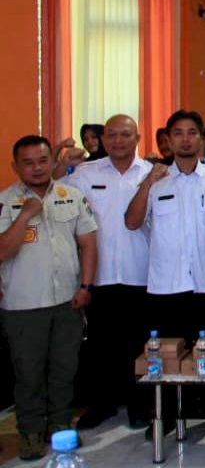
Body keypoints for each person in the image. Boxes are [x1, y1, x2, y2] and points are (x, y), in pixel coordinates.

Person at [125, 110, 205, 440]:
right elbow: (132, 222)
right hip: (166, 285)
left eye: (192, 132)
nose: (185, 138)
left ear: (202, 139)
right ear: (168, 140)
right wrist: (147, 184)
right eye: (178, 133)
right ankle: (169, 416)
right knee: (167, 356)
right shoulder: (153, 179)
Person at [0, 136, 98, 461]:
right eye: (28, 162)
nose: (37, 168)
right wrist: (25, 215)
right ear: (16, 167)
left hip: (67, 301)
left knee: (64, 368)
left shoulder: (70, 195)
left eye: (42, 160)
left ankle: (59, 427)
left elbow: (87, 244)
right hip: (23, 304)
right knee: (28, 372)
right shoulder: (6, 202)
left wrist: (86, 286)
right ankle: (30, 432)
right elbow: (3, 251)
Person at [65, 115, 153, 431]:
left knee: (139, 344)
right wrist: (62, 165)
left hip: (140, 272)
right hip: (99, 275)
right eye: (112, 135)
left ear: (137, 138)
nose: (118, 141)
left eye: (125, 135)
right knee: (101, 345)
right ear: (103, 141)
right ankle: (101, 404)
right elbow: (52, 193)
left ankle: (139, 405)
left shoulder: (152, 175)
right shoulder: (84, 175)